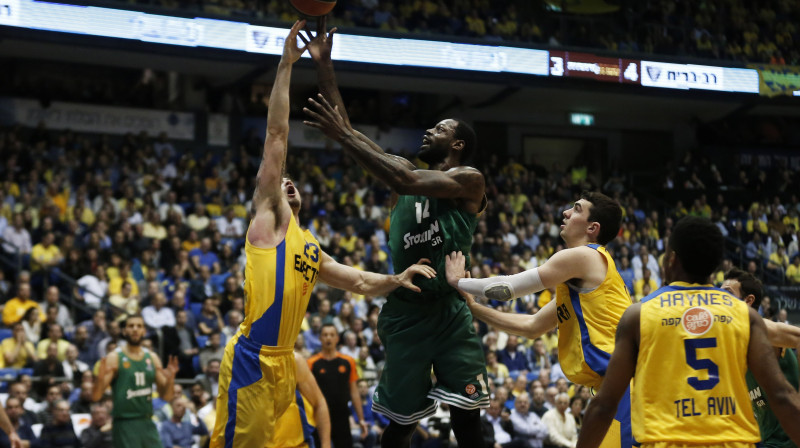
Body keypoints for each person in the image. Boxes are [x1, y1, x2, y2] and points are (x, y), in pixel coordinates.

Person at [210, 22, 435, 448]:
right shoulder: (269, 220)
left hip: (286, 362)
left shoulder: (310, 247)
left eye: (293, 181)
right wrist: (285, 66)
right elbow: (277, 136)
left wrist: (397, 278)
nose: (287, 183)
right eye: (281, 181)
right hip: (252, 358)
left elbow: (360, 281)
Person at [304, 17, 490, 448]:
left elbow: (402, 179)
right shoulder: (401, 173)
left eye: (440, 129)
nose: (429, 130)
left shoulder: (468, 180)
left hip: (448, 310)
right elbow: (348, 131)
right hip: (406, 314)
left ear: (457, 144)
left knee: (468, 419)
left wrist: (344, 137)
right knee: (401, 427)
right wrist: (325, 67)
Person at [575, 216, 800, 448]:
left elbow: (604, 405)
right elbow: (782, 397)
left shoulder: (638, 316)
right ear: (714, 266)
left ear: (671, 260)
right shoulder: (745, 315)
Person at [444, 192, 631, 448]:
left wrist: (457, 281)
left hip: (625, 386)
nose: (565, 213)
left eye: (576, 209)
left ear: (592, 227)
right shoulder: (581, 285)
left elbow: (510, 288)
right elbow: (532, 327)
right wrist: (475, 309)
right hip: (615, 386)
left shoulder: (585, 256)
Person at [721, 268, 800, 448]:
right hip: (766, 439)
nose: (719, 299)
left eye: (727, 294)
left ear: (748, 301)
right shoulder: (731, 338)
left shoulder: (761, 329)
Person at [92, 314, 180, 448]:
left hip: (147, 421)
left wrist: (171, 379)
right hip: (124, 423)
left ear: (144, 331)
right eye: (131, 326)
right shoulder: (115, 357)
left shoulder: (152, 357)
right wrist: (99, 379)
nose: (135, 329)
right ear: (124, 331)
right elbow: (96, 396)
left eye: (139, 326)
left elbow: (167, 396)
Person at [308, 324, 366, 448]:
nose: (328, 338)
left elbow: (354, 392)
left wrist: (361, 419)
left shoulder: (348, 361)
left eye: (332, 335)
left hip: (342, 415)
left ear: (337, 338)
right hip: (320, 416)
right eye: (325, 335)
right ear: (320, 338)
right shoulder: (312, 363)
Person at [270, 352, 331, 448]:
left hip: (296, 444)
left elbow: (319, 402)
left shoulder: (294, 360)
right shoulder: (241, 360)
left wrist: (326, 444)